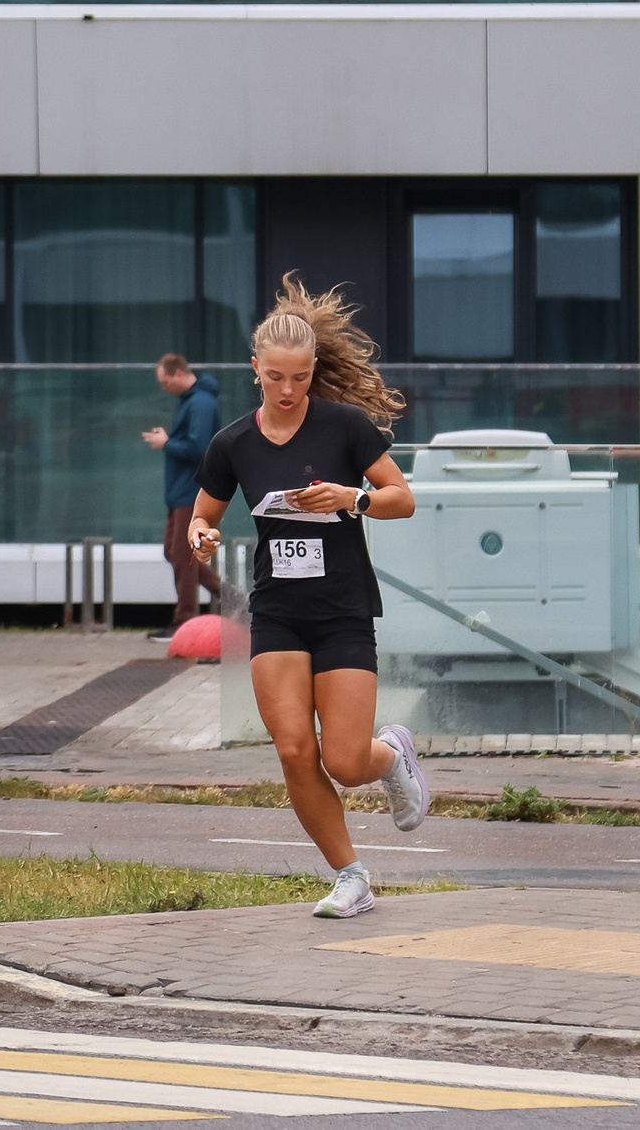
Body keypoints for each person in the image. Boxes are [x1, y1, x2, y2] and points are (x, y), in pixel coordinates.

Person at [188, 277, 428, 918]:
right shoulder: (232, 443)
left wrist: (352, 498)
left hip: (344, 609)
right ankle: (351, 876)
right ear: (255, 371)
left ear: (313, 370)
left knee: (346, 762)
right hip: (278, 612)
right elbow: (201, 516)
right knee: (295, 748)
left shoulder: (345, 427)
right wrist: (203, 536)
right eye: (275, 378)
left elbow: (402, 499)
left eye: (298, 378)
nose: (288, 391)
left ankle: (393, 754)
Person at [142, 352, 222, 639]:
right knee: (175, 553)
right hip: (181, 492)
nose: (164, 388)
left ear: (178, 374)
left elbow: (199, 448)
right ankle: (237, 600)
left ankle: (184, 620)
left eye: (165, 382)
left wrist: (166, 443)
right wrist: (170, 440)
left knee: (183, 555)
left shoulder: (200, 402)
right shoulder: (193, 401)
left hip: (191, 491)